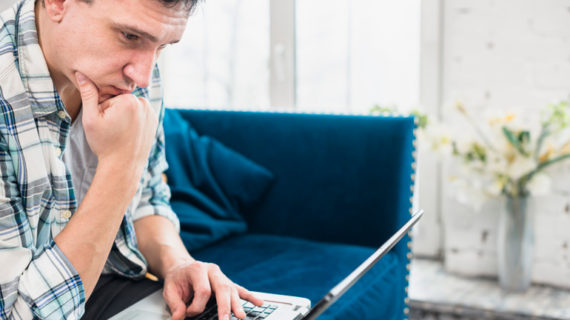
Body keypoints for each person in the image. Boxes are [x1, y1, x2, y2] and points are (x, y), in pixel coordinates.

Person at [0, 0, 263, 319]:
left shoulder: (134, 74)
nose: (142, 77)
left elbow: (147, 198)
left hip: (103, 287)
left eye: (162, 47)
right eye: (129, 36)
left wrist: (177, 263)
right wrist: (119, 167)